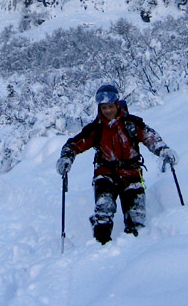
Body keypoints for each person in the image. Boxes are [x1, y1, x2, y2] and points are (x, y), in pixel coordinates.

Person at [56, 84, 178, 244]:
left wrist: (163, 150)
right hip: (105, 175)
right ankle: (100, 247)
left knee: (137, 220)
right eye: (104, 107)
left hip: (132, 175)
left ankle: (134, 251)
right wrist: (66, 158)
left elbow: (151, 138)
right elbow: (74, 145)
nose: (108, 111)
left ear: (117, 105)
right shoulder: (95, 129)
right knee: (104, 212)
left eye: (111, 107)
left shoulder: (132, 124)